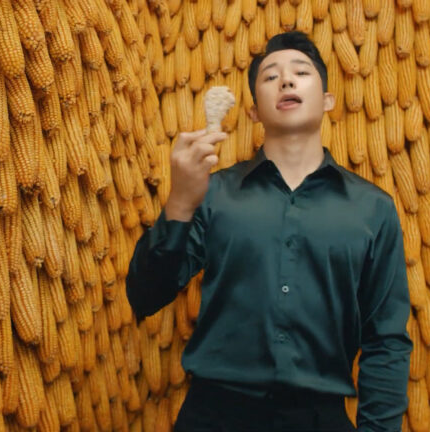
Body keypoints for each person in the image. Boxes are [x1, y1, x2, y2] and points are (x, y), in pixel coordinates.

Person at [125, 31, 413, 432]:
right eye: (270, 76)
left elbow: (386, 340)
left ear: (327, 100)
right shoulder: (213, 194)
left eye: (301, 73)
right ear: (254, 112)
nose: (287, 80)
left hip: (320, 419)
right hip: (214, 418)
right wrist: (180, 202)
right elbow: (145, 295)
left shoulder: (373, 208)